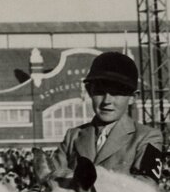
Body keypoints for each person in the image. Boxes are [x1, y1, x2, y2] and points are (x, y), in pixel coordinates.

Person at [54, 51, 163, 184]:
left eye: (116, 93)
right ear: (89, 92)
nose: (107, 101)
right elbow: (48, 180)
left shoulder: (147, 137)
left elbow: (147, 186)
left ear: (132, 98)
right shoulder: (73, 136)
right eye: (100, 92)